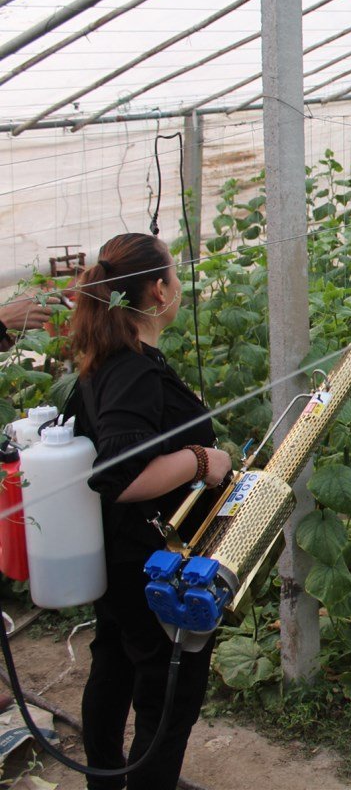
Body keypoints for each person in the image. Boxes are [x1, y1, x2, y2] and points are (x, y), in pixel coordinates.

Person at [68, 233, 231, 790]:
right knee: (170, 696)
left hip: (114, 558)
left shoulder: (105, 359)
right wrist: (200, 459)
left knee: (112, 665)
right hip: (147, 564)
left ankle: (103, 782)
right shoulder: (133, 370)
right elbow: (118, 472)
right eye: (176, 277)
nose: (180, 288)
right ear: (158, 290)